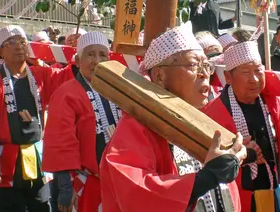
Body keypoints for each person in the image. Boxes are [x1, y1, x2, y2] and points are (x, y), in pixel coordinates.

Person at [101, 24, 246, 212]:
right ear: (160, 76)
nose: (204, 74)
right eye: (194, 65)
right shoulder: (136, 127)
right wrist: (207, 178)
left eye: (206, 65)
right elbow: (136, 193)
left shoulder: (203, 121)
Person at [0, 25, 72, 212]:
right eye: (11, 43)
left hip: (36, 155)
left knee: (41, 205)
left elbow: (64, 79)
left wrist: (77, 62)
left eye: (22, 42)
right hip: (6, 158)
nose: (18, 46)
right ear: (0, 50)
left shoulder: (40, 74)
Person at [204, 41, 280, 212]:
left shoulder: (275, 103)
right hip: (237, 198)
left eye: (258, 70)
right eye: (245, 72)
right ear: (228, 77)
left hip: (274, 191)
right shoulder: (212, 113)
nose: (254, 79)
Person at [43, 32, 119, 212]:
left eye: (103, 55)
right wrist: (65, 187)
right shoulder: (66, 93)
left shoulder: (118, 91)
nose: (97, 60)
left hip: (116, 184)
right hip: (85, 183)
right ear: (77, 61)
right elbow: (61, 142)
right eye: (90, 54)